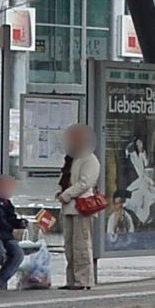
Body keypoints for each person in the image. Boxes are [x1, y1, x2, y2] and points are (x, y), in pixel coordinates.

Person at [57, 124, 101, 291]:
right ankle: (72, 279)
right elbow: (66, 179)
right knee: (69, 246)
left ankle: (83, 279)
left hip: (82, 207)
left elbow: (85, 183)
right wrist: (60, 193)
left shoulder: (90, 159)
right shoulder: (71, 159)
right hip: (68, 207)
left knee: (81, 245)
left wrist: (67, 194)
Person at [0, 175, 28, 294]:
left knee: (18, 254)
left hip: (6, 235)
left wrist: (20, 223)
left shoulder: (7, 203)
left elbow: (11, 218)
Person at [124, 137, 155, 226]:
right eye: (138, 144)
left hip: (144, 180)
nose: (139, 145)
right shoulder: (134, 156)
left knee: (145, 198)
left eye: (141, 144)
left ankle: (142, 218)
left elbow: (146, 165)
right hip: (142, 179)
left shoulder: (143, 154)